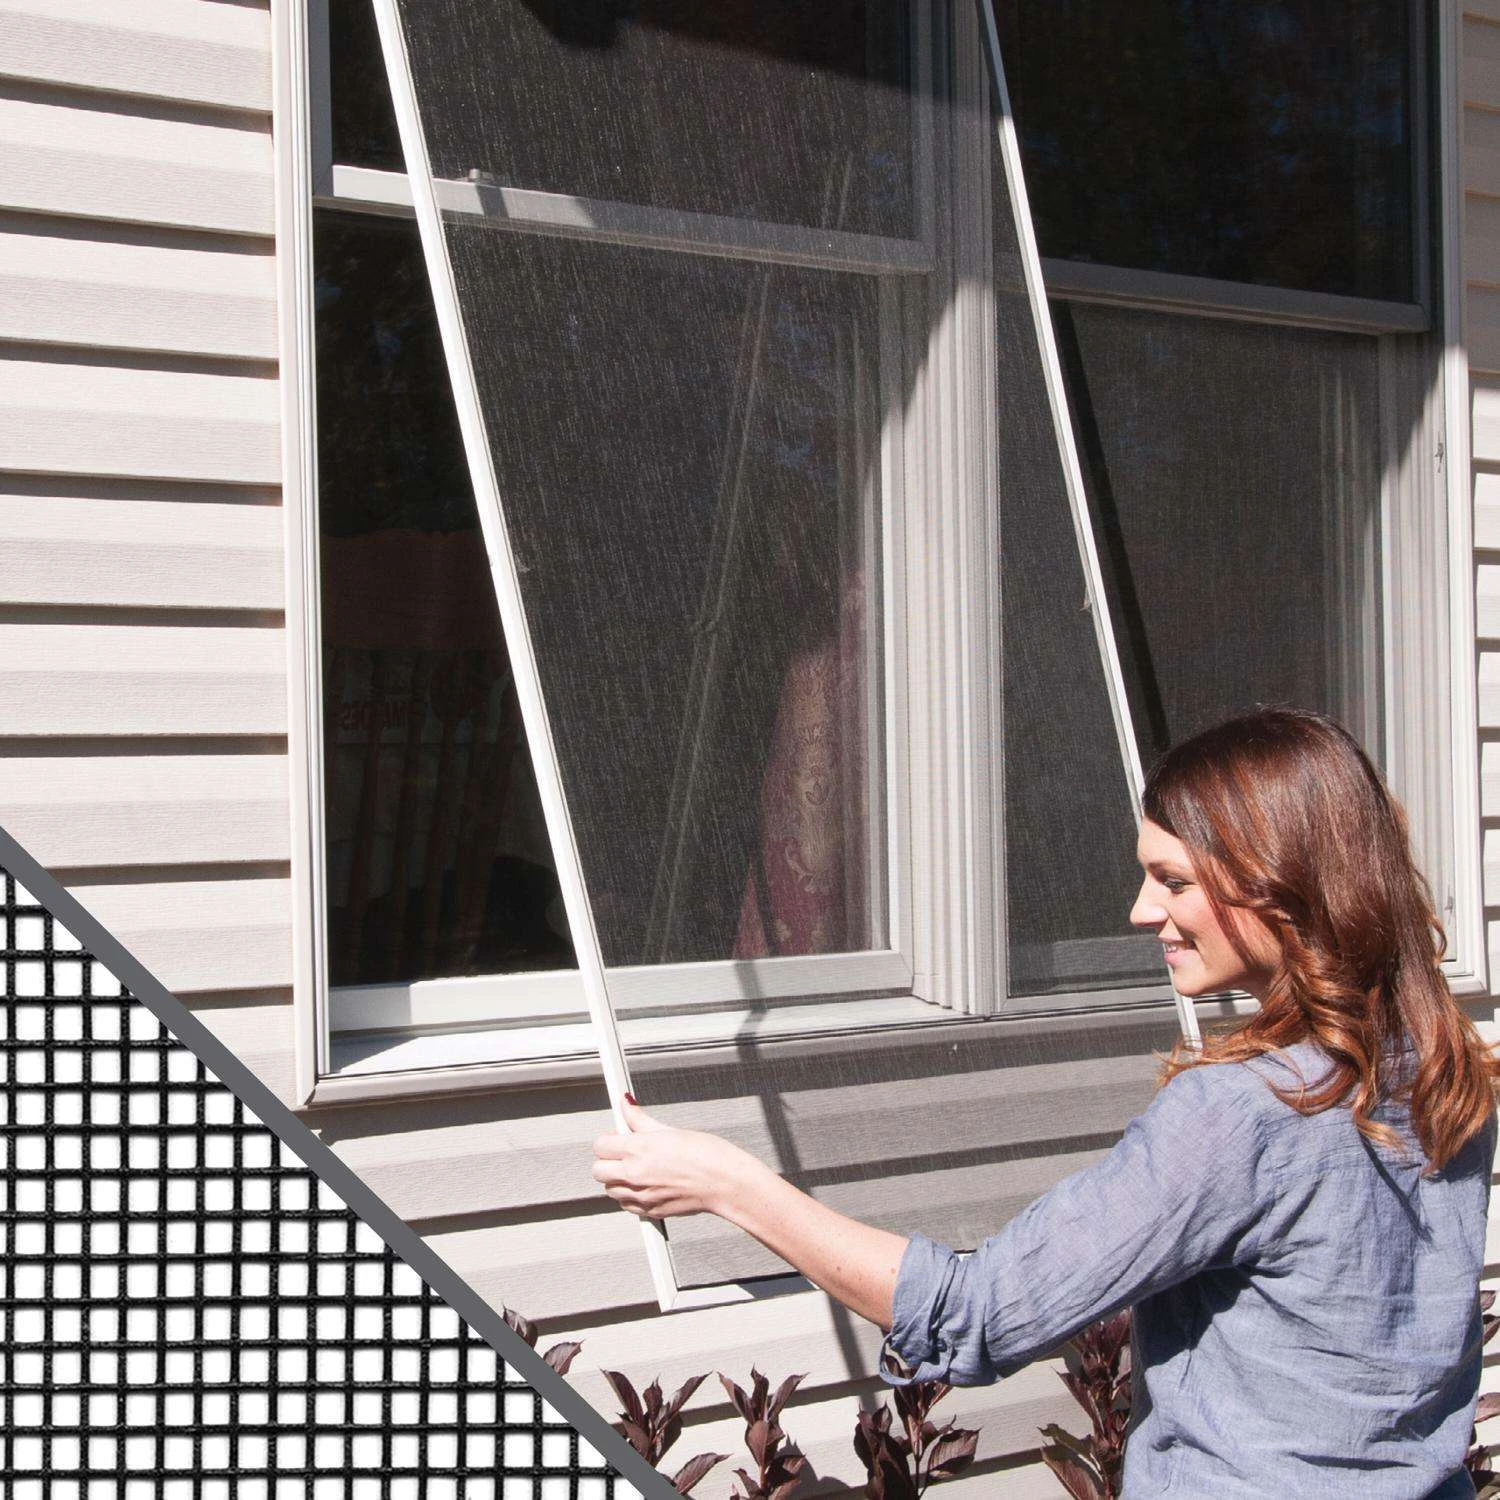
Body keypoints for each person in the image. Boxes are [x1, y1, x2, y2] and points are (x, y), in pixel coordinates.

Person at [593, 708, 1500, 1498]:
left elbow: (975, 1314)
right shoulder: (1440, 1070)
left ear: (1280, 881)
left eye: (1174, 881)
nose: (1142, 910)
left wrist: (730, 1185)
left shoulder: (1245, 1115)